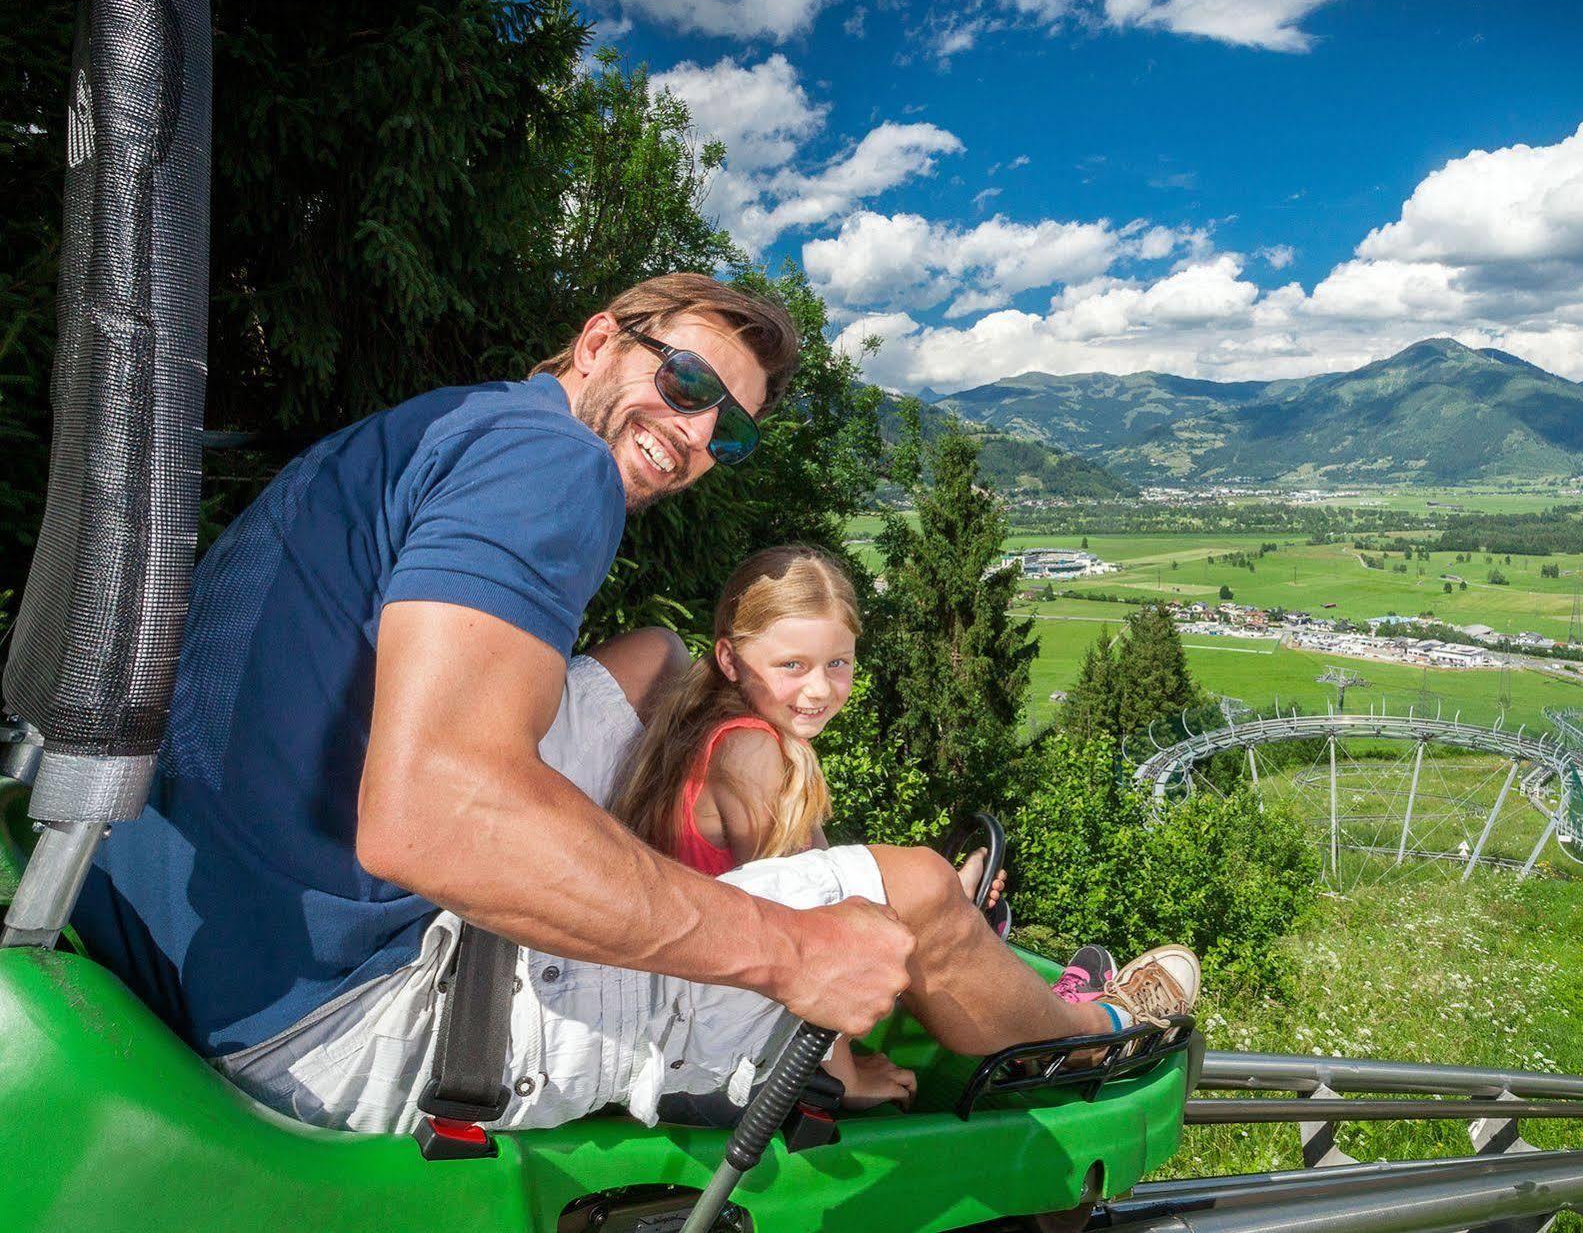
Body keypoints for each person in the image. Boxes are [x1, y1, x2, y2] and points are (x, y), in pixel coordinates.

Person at [72, 272, 1198, 1135]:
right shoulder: (553, 470)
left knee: (657, 656)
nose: (700, 435)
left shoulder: (460, 424)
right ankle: (1097, 1030)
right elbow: (430, 812)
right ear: (603, 338)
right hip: (333, 1016)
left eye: (733, 430)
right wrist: (783, 949)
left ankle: (683, 860)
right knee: (910, 894)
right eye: (689, 384)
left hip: (184, 925)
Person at [594, 543, 1169, 1112]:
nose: (819, 689)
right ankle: (1095, 1030)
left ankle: (989, 954)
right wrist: (842, 1078)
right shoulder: (757, 758)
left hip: (708, 999)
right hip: (730, 1041)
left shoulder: (705, 725)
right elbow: (805, 934)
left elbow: (807, 883)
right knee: (929, 906)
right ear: (730, 660)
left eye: (837, 664)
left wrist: (945, 899)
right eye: (792, 665)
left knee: (936, 898)